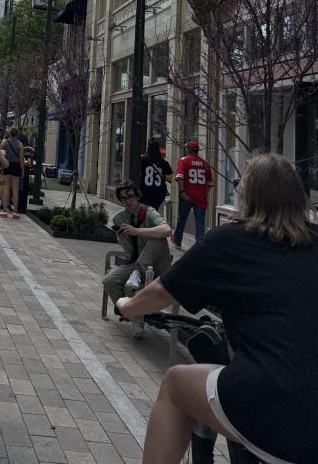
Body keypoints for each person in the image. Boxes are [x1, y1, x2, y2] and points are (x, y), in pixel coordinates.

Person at [118, 154, 317, 464]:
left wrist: (128, 305)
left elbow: (162, 290)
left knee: (175, 385)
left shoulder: (231, 239)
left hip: (275, 406)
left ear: (249, 195)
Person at [102, 179, 171, 338]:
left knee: (158, 236)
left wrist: (137, 231)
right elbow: (130, 251)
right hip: (137, 262)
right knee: (108, 281)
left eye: (131, 196)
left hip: (158, 265)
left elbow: (167, 230)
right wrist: (121, 240)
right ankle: (134, 318)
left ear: (137, 196)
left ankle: (138, 274)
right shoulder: (119, 218)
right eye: (124, 199)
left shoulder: (149, 212)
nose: (128, 201)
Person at [172, 139, 213, 248]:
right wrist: (205, 196)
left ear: (189, 149)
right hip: (200, 197)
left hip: (187, 195)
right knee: (200, 224)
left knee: (182, 219)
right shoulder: (205, 164)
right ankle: (200, 245)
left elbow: (179, 178)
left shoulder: (183, 160)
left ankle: (177, 240)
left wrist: (182, 192)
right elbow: (209, 183)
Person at [140, 138, 174, 211]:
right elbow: (169, 178)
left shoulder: (143, 159)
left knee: (144, 212)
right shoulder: (163, 162)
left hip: (145, 192)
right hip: (159, 193)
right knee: (154, 211)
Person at [0, 126, 25, 219]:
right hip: (16, 166)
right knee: (15, 189)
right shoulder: (20, 144)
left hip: (7, 165)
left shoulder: (4, 142)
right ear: (17, 134)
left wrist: (1, 168)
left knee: (5, 188)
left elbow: (1, 156)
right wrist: (22, 170)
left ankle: (4, 211)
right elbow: (21, 159)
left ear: (9, 133)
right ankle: (16, 212)